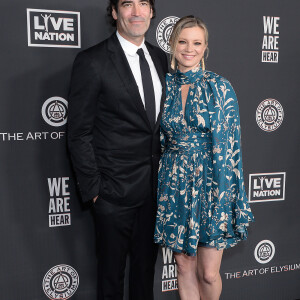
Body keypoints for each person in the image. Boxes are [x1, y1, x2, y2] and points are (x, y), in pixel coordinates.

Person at [67, 0, 168, 299]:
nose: (136, 12)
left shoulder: (161, 58)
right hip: (112, 194)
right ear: (114, 12)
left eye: (143, 4)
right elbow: (78, 132)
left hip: (155, 190)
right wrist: (95, 189)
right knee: (110, 279)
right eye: (127, 4)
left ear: (151, 11)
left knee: (145, 276)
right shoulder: (93, 61)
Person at [154, 15, 254, 300]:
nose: (189, 49)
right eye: (183, 42)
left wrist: (227, 197)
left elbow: (232, 148)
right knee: (183, 266)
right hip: (174, 182)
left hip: (212, 184)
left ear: (205, 47)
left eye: (197, 43)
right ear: (172, 44)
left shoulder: (219, 87)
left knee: (208, 273)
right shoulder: (163, 86)